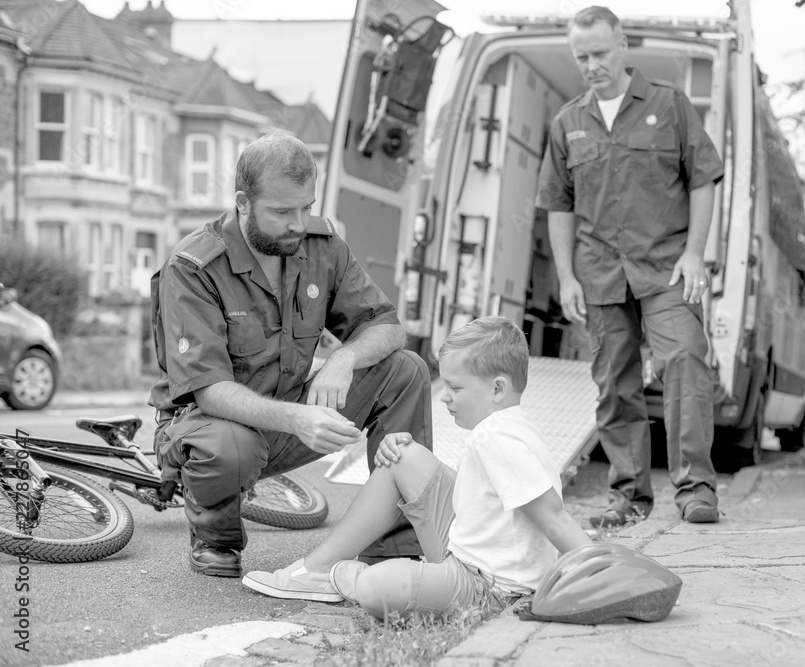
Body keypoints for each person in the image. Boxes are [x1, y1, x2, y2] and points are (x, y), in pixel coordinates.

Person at [149, 132, 434, 577]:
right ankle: (216, 536)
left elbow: (387, 326)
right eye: (282, 211)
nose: (299, 223)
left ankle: (395, 548)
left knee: (406, 370)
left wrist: (342, 360)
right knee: (227, 446)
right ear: (243, 202)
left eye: (307, 206)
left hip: (285, 418)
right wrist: (300, 419)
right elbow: (208, 391)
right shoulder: (192, 267)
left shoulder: (320, 246)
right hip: (211, 429)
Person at [241, 316, 593, 619]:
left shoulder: (496, 439)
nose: (444, 396)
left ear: (498, 388)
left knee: (377, 587)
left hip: (487, 587)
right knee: (403, 456)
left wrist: (595, 569)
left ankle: (342, 577)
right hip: (469, 554)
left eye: (455, 387)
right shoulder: (512, 425)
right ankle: (317, 571)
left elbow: (553, 516)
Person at [535, 6, 725, 526]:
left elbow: (703, 179)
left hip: (667, 267)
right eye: (582, 57)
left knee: (686, 358)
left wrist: (695, 253)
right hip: (600, 273)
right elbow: (558, 205)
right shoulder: (568, 122)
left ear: (622, 44)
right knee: (615, 385)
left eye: (599, 53)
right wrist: (567, 276)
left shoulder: (670, 104)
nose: (592, 64)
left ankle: (696, 489)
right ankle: (629, 497)